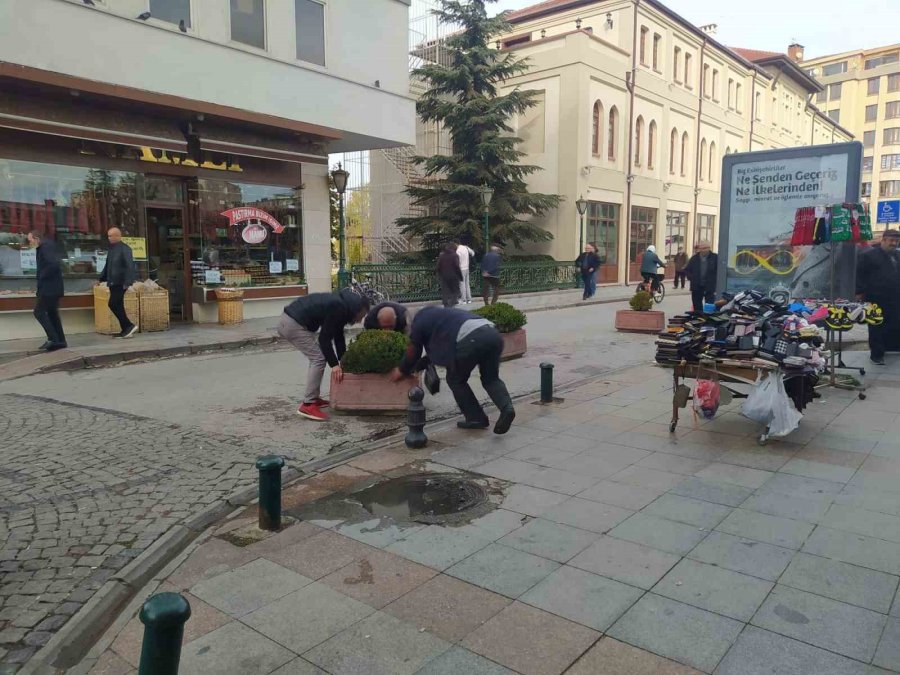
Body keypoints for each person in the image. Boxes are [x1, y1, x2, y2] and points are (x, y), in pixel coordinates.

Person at [391, 306, 515, 434]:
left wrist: (402, 370)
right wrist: (422, 364)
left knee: (455, 379)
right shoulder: (439, 316)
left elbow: (413, 351)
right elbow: (443, 345)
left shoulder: (418, 322)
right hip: (492, 333)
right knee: (491, 378)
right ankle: (507, 408)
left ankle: (476, 418)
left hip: (471, 338)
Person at [277, 289, 370, 421]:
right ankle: (308, 404)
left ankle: (313, 397)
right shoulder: (338, 307)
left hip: (290, 321)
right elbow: (324, 339)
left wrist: (342, 360)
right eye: (362, 314)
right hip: (292, 324)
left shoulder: (340, 305)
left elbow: (338, 335)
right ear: (355, 308)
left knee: (318, 357)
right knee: (319, 358)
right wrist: (335, 365)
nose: (360, 320)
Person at [856, 229, 900, 365]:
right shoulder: (869, 255)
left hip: (895, 297)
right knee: (876, 325)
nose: (894, 243)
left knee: (894, 323)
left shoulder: (897, 256)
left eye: (896, 241)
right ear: (884, 240)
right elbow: (860, 275)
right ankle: (876, 354)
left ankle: (891, 348)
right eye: (891, 240)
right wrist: (859, 292)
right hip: (875, 297)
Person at [28, 231, 67, 351]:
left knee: (39, 312)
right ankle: (60, 340)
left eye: (30, 240)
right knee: (52, 313)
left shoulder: (45, 247)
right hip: (52, 287)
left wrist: (42, 277)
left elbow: (52, 264)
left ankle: (53, 339)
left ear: (36, 238)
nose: (29, 243)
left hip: (49, 287)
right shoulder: (46, 246)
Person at [99, 227, 138, 338]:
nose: (110, 238)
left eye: (112, 236)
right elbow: (108, 265)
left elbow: (130, 266)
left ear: (118, 236)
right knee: (118, 304)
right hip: (113, 281)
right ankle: (126, 329)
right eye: (108, 236)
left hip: (121, 281)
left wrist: (128, 281)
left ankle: (128, 325)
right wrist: (101, 278)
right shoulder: (112, 249)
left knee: (113, 303)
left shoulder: (125, 249)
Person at [685, 240, 718, 312]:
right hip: (696, 286)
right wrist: (691, 278)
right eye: (701, 248)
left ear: (709, 248)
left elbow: (719, 271)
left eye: (705, 248)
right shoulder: (694, 258)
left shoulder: (715, 258)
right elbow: (687, 270)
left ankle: (708, 320)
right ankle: (698, 320)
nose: (703, 250)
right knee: (697, 306)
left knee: (709, 306)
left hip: (710, 286)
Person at [437, 243, 463, 307]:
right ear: (454, 249)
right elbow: (457, 266)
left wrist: (440, 274)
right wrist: (460, 276)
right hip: (454, 275)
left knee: (445, 290)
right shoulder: (455, 255)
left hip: (444, 275)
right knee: (456, 291)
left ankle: (445, 303)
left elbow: (438, 266)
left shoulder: (442, 255)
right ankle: (452, 303)